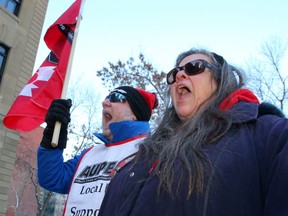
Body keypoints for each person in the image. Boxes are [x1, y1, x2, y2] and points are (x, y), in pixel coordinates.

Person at [99, 48, 288, 216]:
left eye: (194, 67)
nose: (179, 75)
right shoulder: (139, 159)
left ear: (220, 79)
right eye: (174, 73)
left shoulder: (268, 136)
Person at [37, 86, 158, 216]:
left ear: (135, 115)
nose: (105, 102)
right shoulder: (89, 154)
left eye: (116, 98)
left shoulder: (152, 153)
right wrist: (51, 139)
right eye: (107, 98)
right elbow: (52, 179)